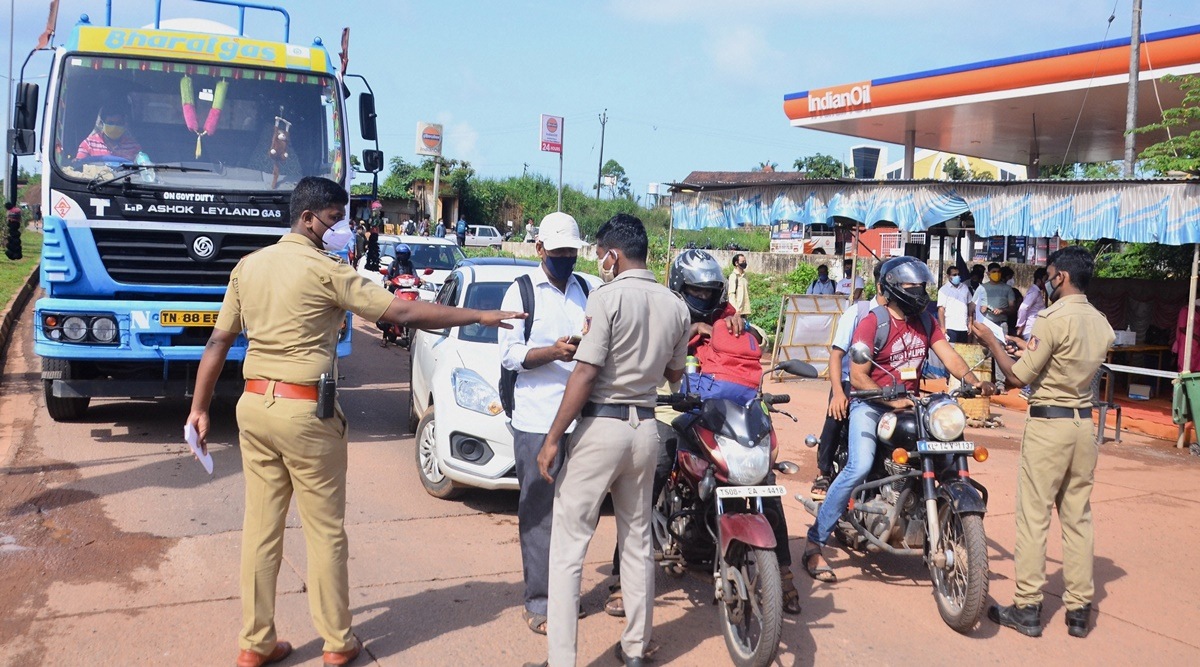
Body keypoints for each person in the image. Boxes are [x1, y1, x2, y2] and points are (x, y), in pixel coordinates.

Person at [184, 177, 522, 667]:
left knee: (260, 530)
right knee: (324, 533)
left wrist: (198, 408)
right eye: (333, 219)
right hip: (306, 415)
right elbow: (403, 310)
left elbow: (217, 343)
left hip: (254, 408)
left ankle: (255, 644)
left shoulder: (249, 267)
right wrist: (478, 316)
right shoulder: (327, 271)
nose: (341, 229)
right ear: (307, 219)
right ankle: (337, 643)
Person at [529, 214, 690, 667]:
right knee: (637, 541)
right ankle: (636, 649)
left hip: (602, 426)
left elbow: (585, 372)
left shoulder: (605, 298)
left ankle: (561, 660)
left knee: (568, 546)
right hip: (645, 429)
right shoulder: (675, 305)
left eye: (601, 254)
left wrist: (553, 437)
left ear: (613, 255)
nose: (599, 261)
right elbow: (675, 376)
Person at [803, 256, 994, 583]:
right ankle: (815, 542)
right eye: (911, 287)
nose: (918, 292)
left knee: (946, 457)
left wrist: (974, 381)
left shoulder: (926, 320)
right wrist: (887, 396)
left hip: (912, 403)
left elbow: (947, 354)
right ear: (893, 288)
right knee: (859, 465)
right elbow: (859, 375)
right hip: (871, 403)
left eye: (921, 286)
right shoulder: (872, 321)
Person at [971, 246, 1114, 640]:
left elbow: (1017, 378)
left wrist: (993, 341)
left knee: (1034, 518)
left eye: (1050, 275)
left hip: (1049, 426)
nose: (1047, 281)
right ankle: (1079, 611)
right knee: (1078, 518)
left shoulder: (1051, 318)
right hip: (1084, 425)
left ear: (1062, 277)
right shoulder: (1100, 322)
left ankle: (1028, 607)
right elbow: (1065, 362)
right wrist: (1028, 349)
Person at [498, 212, 589, 637]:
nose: (566, 259)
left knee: (574, 514)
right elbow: (510, 355)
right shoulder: (521, 292)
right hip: (536, 418)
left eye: (571, 252)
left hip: (580, 419)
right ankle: (539, 600)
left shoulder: (586, 289)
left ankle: (566, 595)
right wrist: (551, 353)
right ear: (540, 251)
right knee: (538, 512)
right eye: (559, 253)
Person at [812, 263, 886, 500]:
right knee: (835, 418)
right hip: (849, 381)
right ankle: (823, 472)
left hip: (883, 385)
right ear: (881, 286)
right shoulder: (858, 312)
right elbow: (837, 354)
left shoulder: (904, 317)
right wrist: (838, 392)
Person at [75, 101, 142, 161]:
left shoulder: (134, 147)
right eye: (110, 123)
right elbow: (79, 167)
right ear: (102, 123)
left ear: (124, 124)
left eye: (119, 123)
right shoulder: (88, 144)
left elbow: (142, 169)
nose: (115, 127)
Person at [937, 265, 971, 343]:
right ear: (948, 276)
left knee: (962, 352)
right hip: (950, 326)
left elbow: (970, 305)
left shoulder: (965, 288)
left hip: (963, 326)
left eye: (958, 274)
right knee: (951, 350)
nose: (957, 276)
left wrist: (970, 323)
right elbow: (941, 309)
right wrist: (942, 327)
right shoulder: (943, 290)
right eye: (954, 275)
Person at [1017, 268, 1048, 340]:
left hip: (1035, 330)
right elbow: (1023, 308)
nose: (1047, 282)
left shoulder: (1036, 292)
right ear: (1038, 280)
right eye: (1045, 279)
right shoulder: (1034, 292)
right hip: (1031, 330)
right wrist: (1020, 325)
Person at [1174, 297, 1200, 372]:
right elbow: (1182, 327)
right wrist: (1196, 337)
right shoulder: (1185, 311)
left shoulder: (1197, 312)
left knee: (1196, 364)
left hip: (1196, 344)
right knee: (1185, 362)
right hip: (1187, 340)